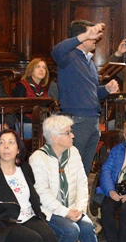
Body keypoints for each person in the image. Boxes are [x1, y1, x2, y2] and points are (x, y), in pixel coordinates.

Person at [29, 115, 113, 242]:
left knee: (88, 227)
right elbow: (42, 193)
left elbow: (82, 182)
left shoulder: (73, 152)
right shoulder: (38, 158)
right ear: (54, 137)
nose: (73, 136)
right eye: (68, 133)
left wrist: (79, 208)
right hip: (48, 211)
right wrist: (65, 212)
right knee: (70, 231)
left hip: (72, 208)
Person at [51, 20, 119, 175]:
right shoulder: (68, 57)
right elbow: (56, 51)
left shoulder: (89, 62)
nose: (96, 38)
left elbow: (94, 93)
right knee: (72, 169)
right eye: (91, 34)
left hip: (93, 120)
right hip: (77, 121)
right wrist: (84, 36)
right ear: (81, 37)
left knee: (84, 171)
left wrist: (107, 89)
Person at [11, 57, 50, 139]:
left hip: (39, 123)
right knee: (47, 132)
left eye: (44, 68)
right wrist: (35, 122)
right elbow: (16, 111)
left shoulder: (44, 89)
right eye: (38, 67)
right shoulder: (22, 86)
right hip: (23, 123)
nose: (41, 70)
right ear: (31, 70)